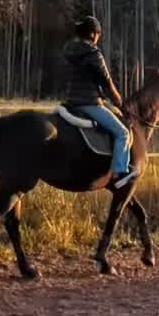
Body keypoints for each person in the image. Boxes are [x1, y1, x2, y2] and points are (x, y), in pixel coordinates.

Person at [62, 15, 135, 187]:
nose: (99, 38)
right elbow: (108, 83)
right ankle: (119, 173)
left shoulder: (70, 51)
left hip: (70, 101)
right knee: (122, 133)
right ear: (94, 34)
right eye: (98, 34)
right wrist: (121, 105)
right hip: (88, 103)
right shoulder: (94, 54)